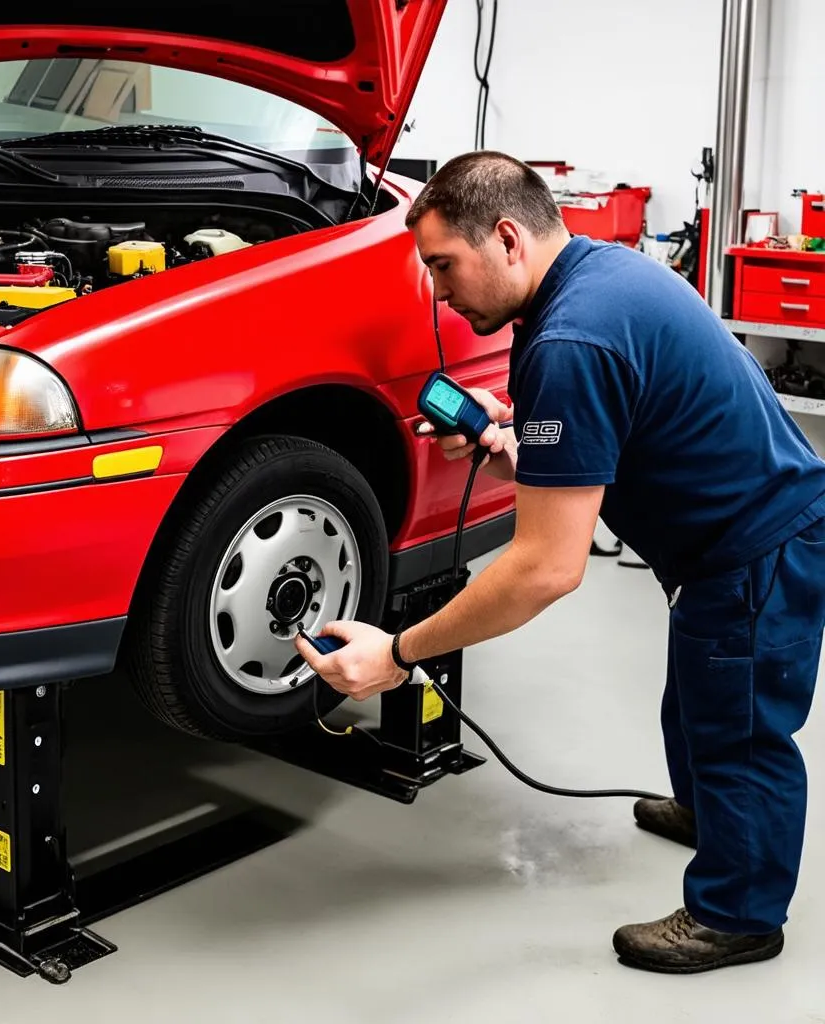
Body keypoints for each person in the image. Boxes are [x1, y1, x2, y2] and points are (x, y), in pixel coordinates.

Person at [295, 151, 825, 975]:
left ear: (506, 237)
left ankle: (740, 912)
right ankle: (710, 813)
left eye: (443, 265)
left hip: (758, 549)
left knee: (740, 726)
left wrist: (398, 655)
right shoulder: (596, 275)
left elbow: (546, 567)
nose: (438, 291)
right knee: (697, 705)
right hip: (733, 539)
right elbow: (591, 445)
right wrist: (516, 441)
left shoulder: (571, 338)